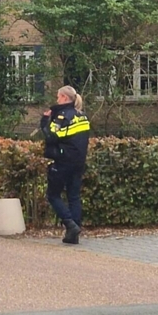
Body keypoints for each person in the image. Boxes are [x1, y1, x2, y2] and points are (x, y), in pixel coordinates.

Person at [40, 85, 90, 244]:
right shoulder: (82, 116)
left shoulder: (62, 116)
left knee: (53, 194)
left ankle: (69, 223)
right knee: (73, 196)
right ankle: (73, 234)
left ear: (64, 98)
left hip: (63, 161)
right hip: (78, 161)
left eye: (58, 97)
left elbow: (52, 137)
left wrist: (45, 122)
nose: (56, 100)